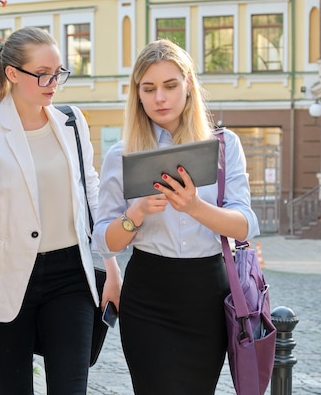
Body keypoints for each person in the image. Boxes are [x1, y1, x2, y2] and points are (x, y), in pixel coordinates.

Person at [0, 26, 121, 394]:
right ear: (13, 73)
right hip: (4, 275)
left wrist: (111, 268)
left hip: (71, 277)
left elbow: (91, 199)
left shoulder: (71, 121)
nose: (53, 82)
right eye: (43, 74)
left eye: (59, 72)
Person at [91, 39, 260, 395]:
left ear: (188, 87)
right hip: (148, 294)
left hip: (208, 295)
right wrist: (135, 214)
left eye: (170, 86)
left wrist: (194, 207)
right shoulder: (122, 154)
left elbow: (245, 224)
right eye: (148, 89)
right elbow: (104, 240)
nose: (160, 98)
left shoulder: (224, 145)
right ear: (137, 95)